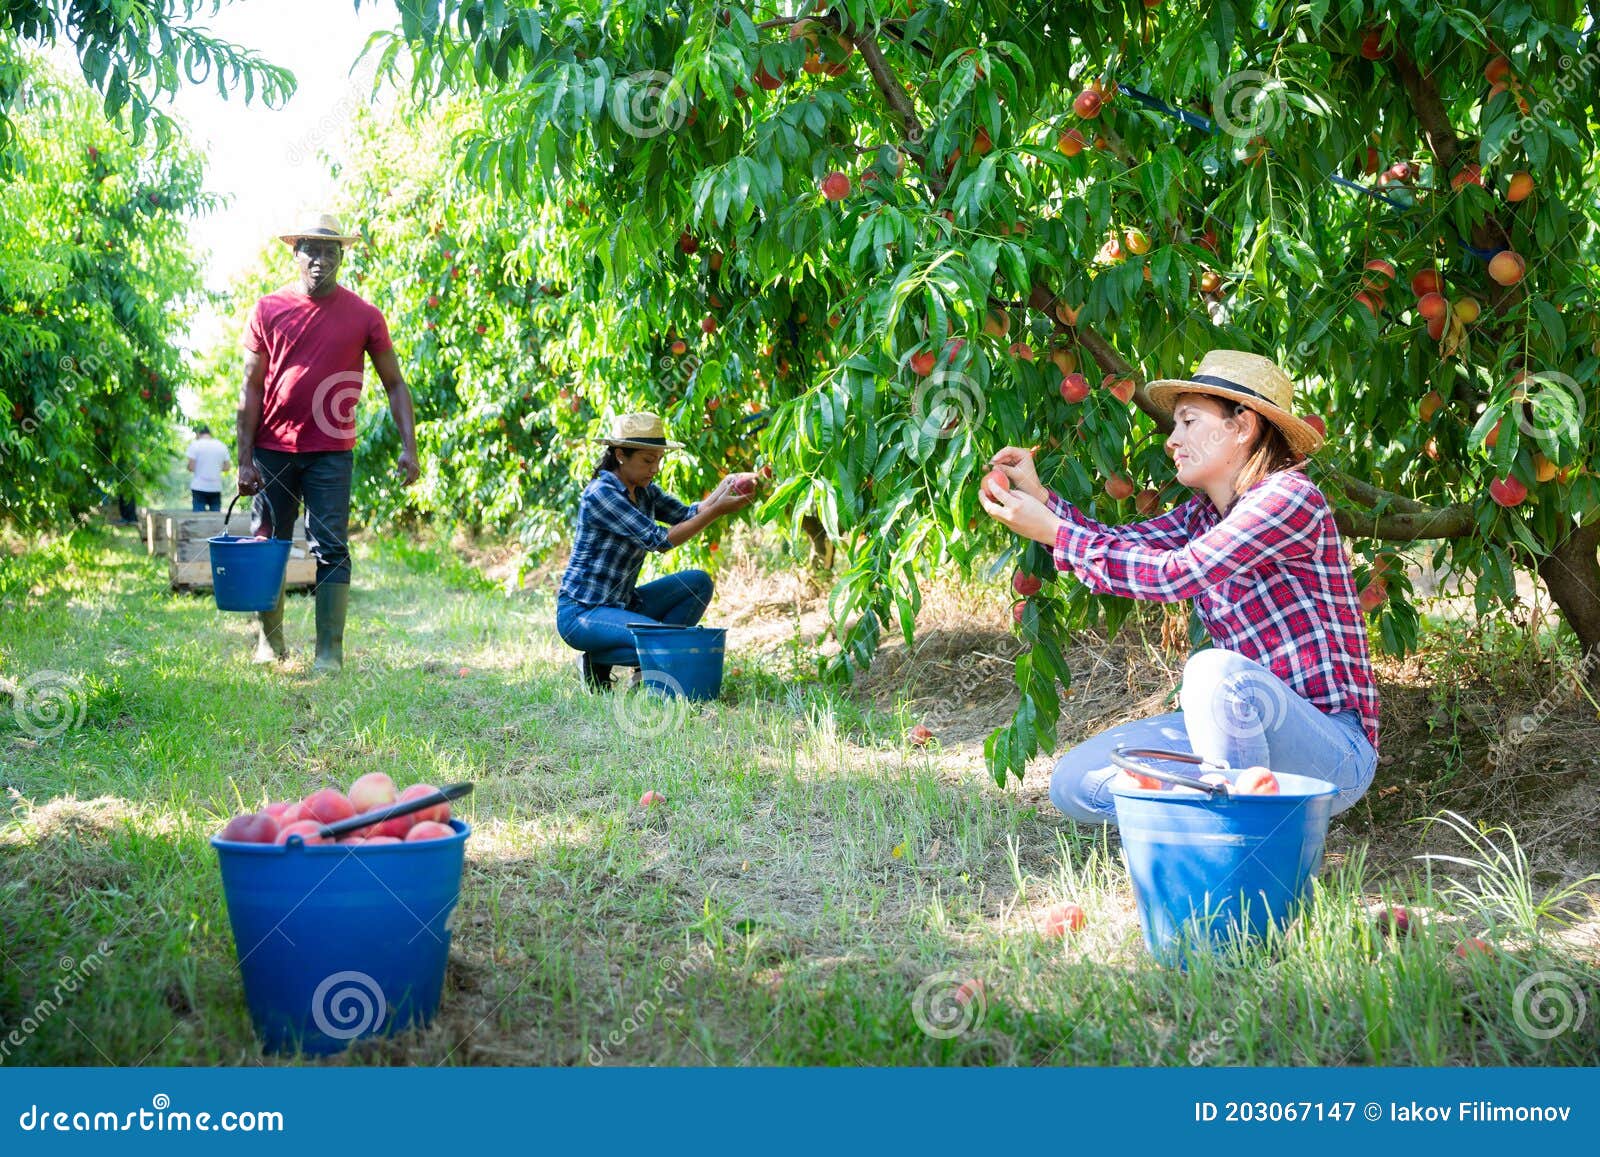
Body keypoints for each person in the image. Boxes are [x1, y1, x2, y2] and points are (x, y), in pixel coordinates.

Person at [978, 349, 1379, 822]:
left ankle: (1240, 842)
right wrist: (1041, 498)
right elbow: (1117, 544)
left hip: (1332, 751)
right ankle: (1215, 805)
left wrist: (1052, 532)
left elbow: (1176, 574)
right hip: (1236, 729)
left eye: (1188, 422)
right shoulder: (1202, 515)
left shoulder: (1289, 497)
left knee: (1213, 673)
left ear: (1243, 427)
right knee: (1077, 782)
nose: (1172, 440)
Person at [235, 212, 420, 674]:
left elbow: (395, 384)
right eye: (311, 250)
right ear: (295, 254)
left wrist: (409, 447)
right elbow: (250, 387)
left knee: (331, 546)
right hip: (272, 448)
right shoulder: (267, 309)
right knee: (268, 540)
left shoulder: (364, 315)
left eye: (330, 251)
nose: (320, 259)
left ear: (342, 256)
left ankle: (329, 652)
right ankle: (270, 642)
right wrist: (244, 459)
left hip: (332, 449)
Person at [556, 412, 754, 691]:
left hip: (623, 604)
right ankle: (598, 661)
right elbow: (659, 540)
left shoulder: (643, 490)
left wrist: (726, 487)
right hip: (582, 613)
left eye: (659, 460)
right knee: (664, 642)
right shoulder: (602, 494)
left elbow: (686, 514)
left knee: (698, 583)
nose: (655, 468)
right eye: (648, 460)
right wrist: (719, 509)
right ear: (621, 455)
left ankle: (645, 664)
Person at [184, 424, 231, 511]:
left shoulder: (195, 445)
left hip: (199, 487)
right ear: (209, 433)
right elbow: (227, 467)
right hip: (216, 487)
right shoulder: (221, 445)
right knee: (216, 519)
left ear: (198, 433)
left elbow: (191, 467)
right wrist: (215, 467)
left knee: (198, 519)